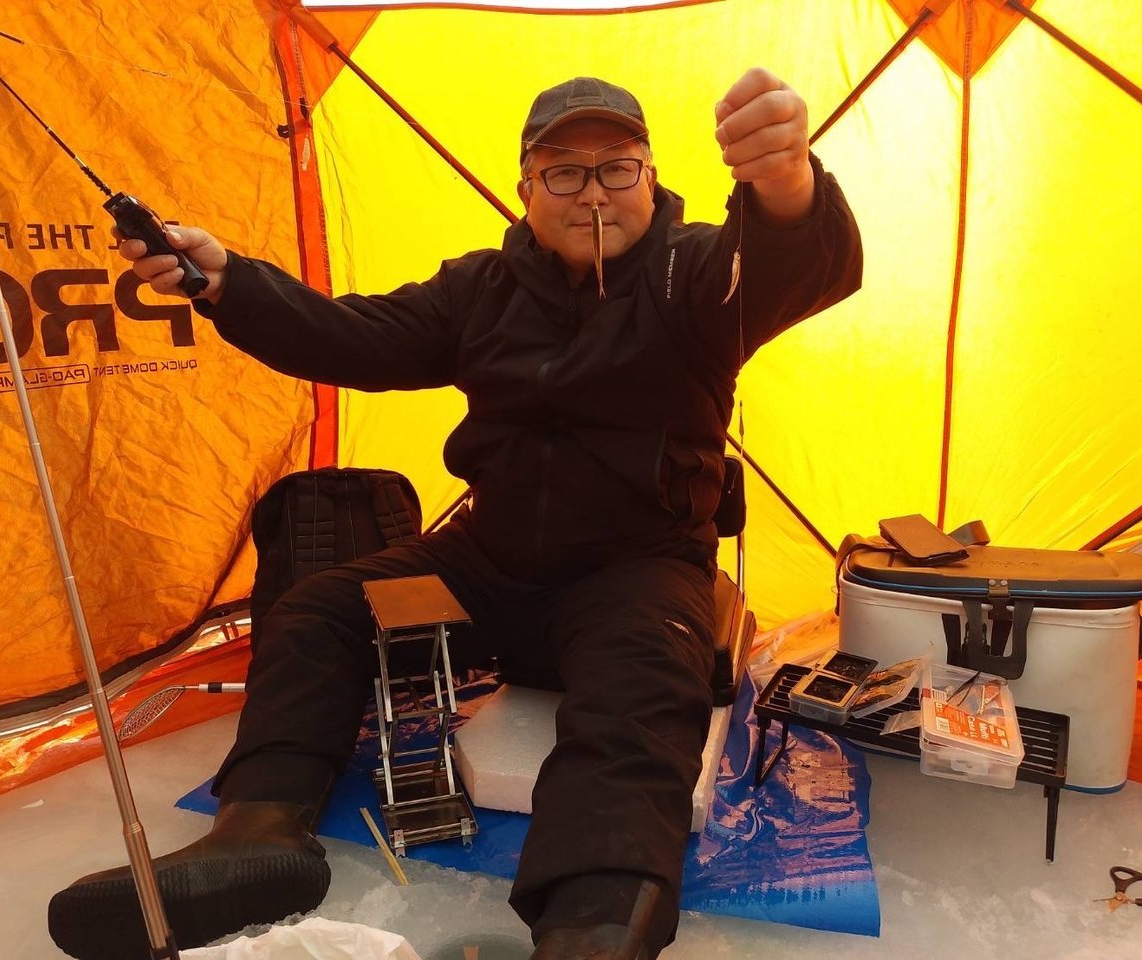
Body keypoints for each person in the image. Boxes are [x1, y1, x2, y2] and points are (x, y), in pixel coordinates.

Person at [48, 70, 861, 960]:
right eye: (565, 172)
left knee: (639, 700)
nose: (593, 193)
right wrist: (225, 282)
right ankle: (258, 834)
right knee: (318, 611)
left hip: (636, 567)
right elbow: (347, 336)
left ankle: (590, 931)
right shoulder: (480, 288)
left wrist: (784, 180)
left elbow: (791, 262)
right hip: (486, 562)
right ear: (526, 189)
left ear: (651, 176)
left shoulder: (697, 271)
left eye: (616, 168)